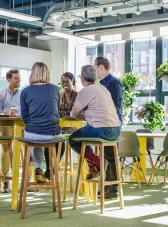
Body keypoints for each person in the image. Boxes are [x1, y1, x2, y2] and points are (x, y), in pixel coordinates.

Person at [69, 65, 121, 198]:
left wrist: (82, 115)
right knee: (110, 156)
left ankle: (96, 163)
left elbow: (74, 114)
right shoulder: (103, 89)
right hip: (115, 129)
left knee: (73, 139)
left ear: (81, 78)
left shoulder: (85, 91)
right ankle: (111, 189)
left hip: (100, 129)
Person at [20, 62, 61, 183]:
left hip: (33, 133)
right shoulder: (55, 89)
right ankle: (50, 169)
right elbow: (56, 111)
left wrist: (35, 122)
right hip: (52, 134)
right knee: (47, 138)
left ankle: (38, 168)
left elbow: (25, 117)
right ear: (47, 73)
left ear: (32, 74)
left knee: (35, 137)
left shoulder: (25, 91)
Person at [94, 56, 123, 198]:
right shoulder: (101, 84)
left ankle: (113, 190)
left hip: (112, 125)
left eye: (95, 68)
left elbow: (117, 105)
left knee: (111, 157)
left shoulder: (113, 83)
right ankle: (107, 186)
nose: (95, 72)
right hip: (103, 124)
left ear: (101, 67)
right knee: (105, 157)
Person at [44, 72, 77, 179]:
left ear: (73, 82)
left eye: (67, 81)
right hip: (60, 127)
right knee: (48, 138)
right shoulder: (59, 95)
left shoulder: (78, 96)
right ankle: (49, 168)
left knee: (60, 138)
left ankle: (54, 166)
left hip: (73, 128)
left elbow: (78, 113)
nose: (65, 84)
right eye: (63, 82)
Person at [0, 69, 21, 193]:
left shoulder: (23, 94)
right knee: (6, 150)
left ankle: (23, 180)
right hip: (5, 126)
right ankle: (6, 181)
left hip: (20, 126)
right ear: (9, 79)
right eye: (16, 78)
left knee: (24, 150)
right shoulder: (1, 95)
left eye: (19, 77)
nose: (18, 80)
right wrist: (7, 113)